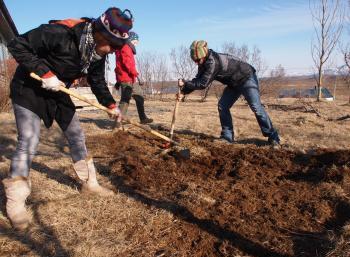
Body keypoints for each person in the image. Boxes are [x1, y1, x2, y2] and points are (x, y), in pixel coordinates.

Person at [2, 7, 133, 230]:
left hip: (59, 92)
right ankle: (15, 204)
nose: (112, 50)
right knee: (29, 140)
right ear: (100, 32)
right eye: (111, 44)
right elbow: (17, 45)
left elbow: (98, 81)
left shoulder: (96, 53)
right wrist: (45, 73)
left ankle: (89, 183)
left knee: (76, 135)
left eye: (117, 47)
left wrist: (110, 105)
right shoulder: (60, 33)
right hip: (29, 89)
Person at [178, 40, 280, 146]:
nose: (196, 62)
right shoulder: (203, 63)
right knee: (223, 106)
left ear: (203, 55)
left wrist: (185, 83)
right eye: (195, 61)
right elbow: (197, 80)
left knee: (256, 107)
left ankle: (273, 137)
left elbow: (203, 84)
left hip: (247, 78)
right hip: (233, 83)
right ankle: (227, 136)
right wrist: (184, 91)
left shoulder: (213, 62)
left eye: (198, 60)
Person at [114, 31, 153, 128]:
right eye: (136, 41)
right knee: (125, 101)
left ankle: (143, 118)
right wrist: (135, 73)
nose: (137, 43)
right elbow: (127, 63)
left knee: (139, 96)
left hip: (130, 78)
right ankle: (117, 123)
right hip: (126, 78)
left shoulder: (126, 47)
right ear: (131, 39)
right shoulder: (125, 47)